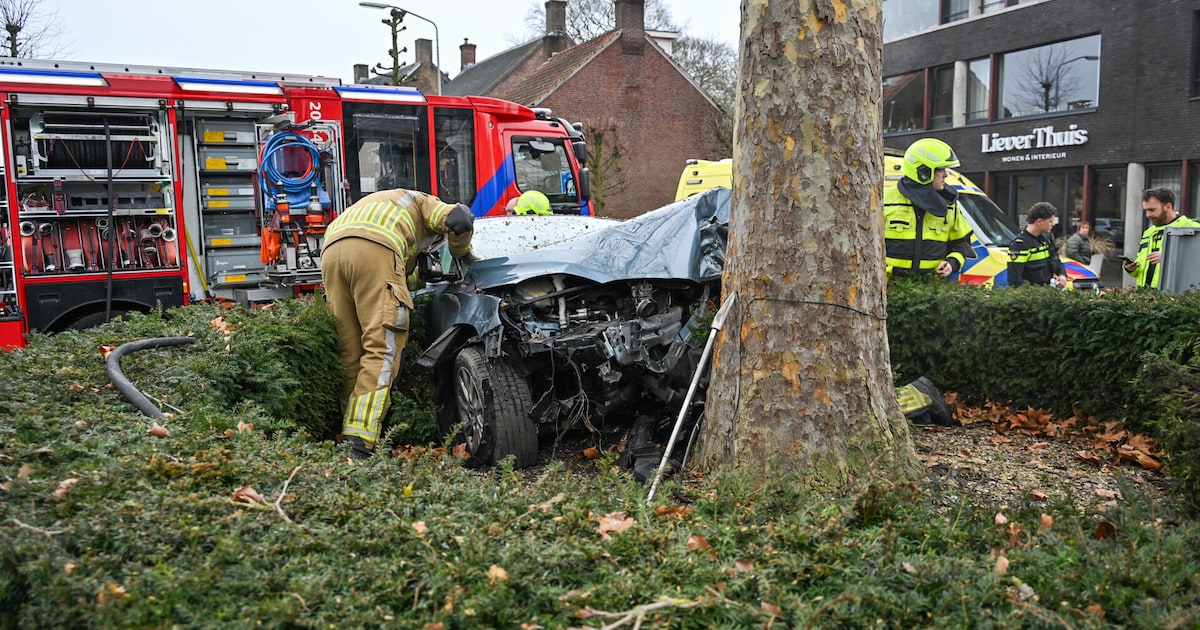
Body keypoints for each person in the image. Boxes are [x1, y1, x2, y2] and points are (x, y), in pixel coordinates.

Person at [322, 189, 475, 459]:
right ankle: (359, 443)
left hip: (332, 249)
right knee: (382, 349)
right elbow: (459, 219)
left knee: (349, 350)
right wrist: (460, 253)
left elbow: (398, 275)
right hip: (377, 247)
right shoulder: (425, 202)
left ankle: (346, 434)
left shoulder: (385, 205)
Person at [884, 138, 977, 278]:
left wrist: (952, 263)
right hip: (891, 286)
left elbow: (962, 244)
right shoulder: (884, 199)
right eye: (940, 169)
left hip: (932, 288)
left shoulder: (949, 205)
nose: (946, 174)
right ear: (923, 171)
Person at [1123, 187, 1200, 289]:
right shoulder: (1149, 232)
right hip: (1144, 293)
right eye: (1146, 210)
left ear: (1168, 206)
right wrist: (1131, 269)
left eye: (1152, 210)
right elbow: (1143, 267)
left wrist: (1168, 257)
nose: (1148, 215)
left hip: (1175, 294)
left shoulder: (1192, 227)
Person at [1007, 202, 1067, 288]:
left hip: (1047, 291)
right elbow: (1015, 279)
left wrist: (1062, 275)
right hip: (1031, 293)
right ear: (1039, 222)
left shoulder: (1048, 238)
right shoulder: (1020, 244)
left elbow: (1056, 260)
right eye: (1050, 221)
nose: (1053, 224)